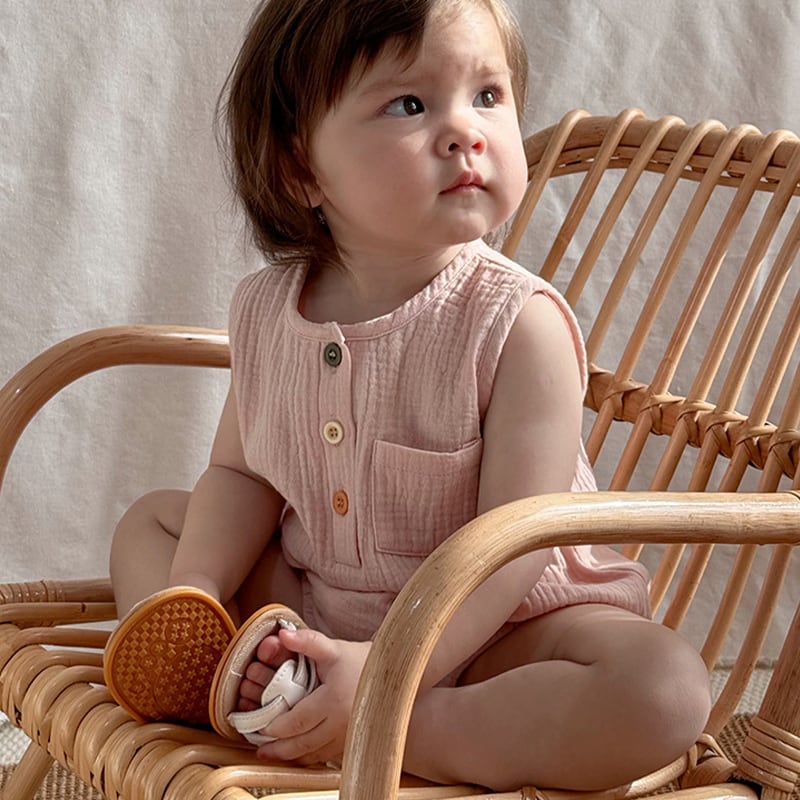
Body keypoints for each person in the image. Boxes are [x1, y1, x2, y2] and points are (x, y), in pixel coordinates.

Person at [106, 0, 712, 791]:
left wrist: (388, 674)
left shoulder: (518, 325)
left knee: (662, 688)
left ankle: (383, 724)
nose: (465, 132)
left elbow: (512, 554)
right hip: (319, 607)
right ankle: (236, 671)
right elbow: (241, 476)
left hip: (498, 631)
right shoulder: (266, 309)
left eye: (487, 95)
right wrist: (196, 588)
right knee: (153, 521)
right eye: (409, 104)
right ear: (300, 169)